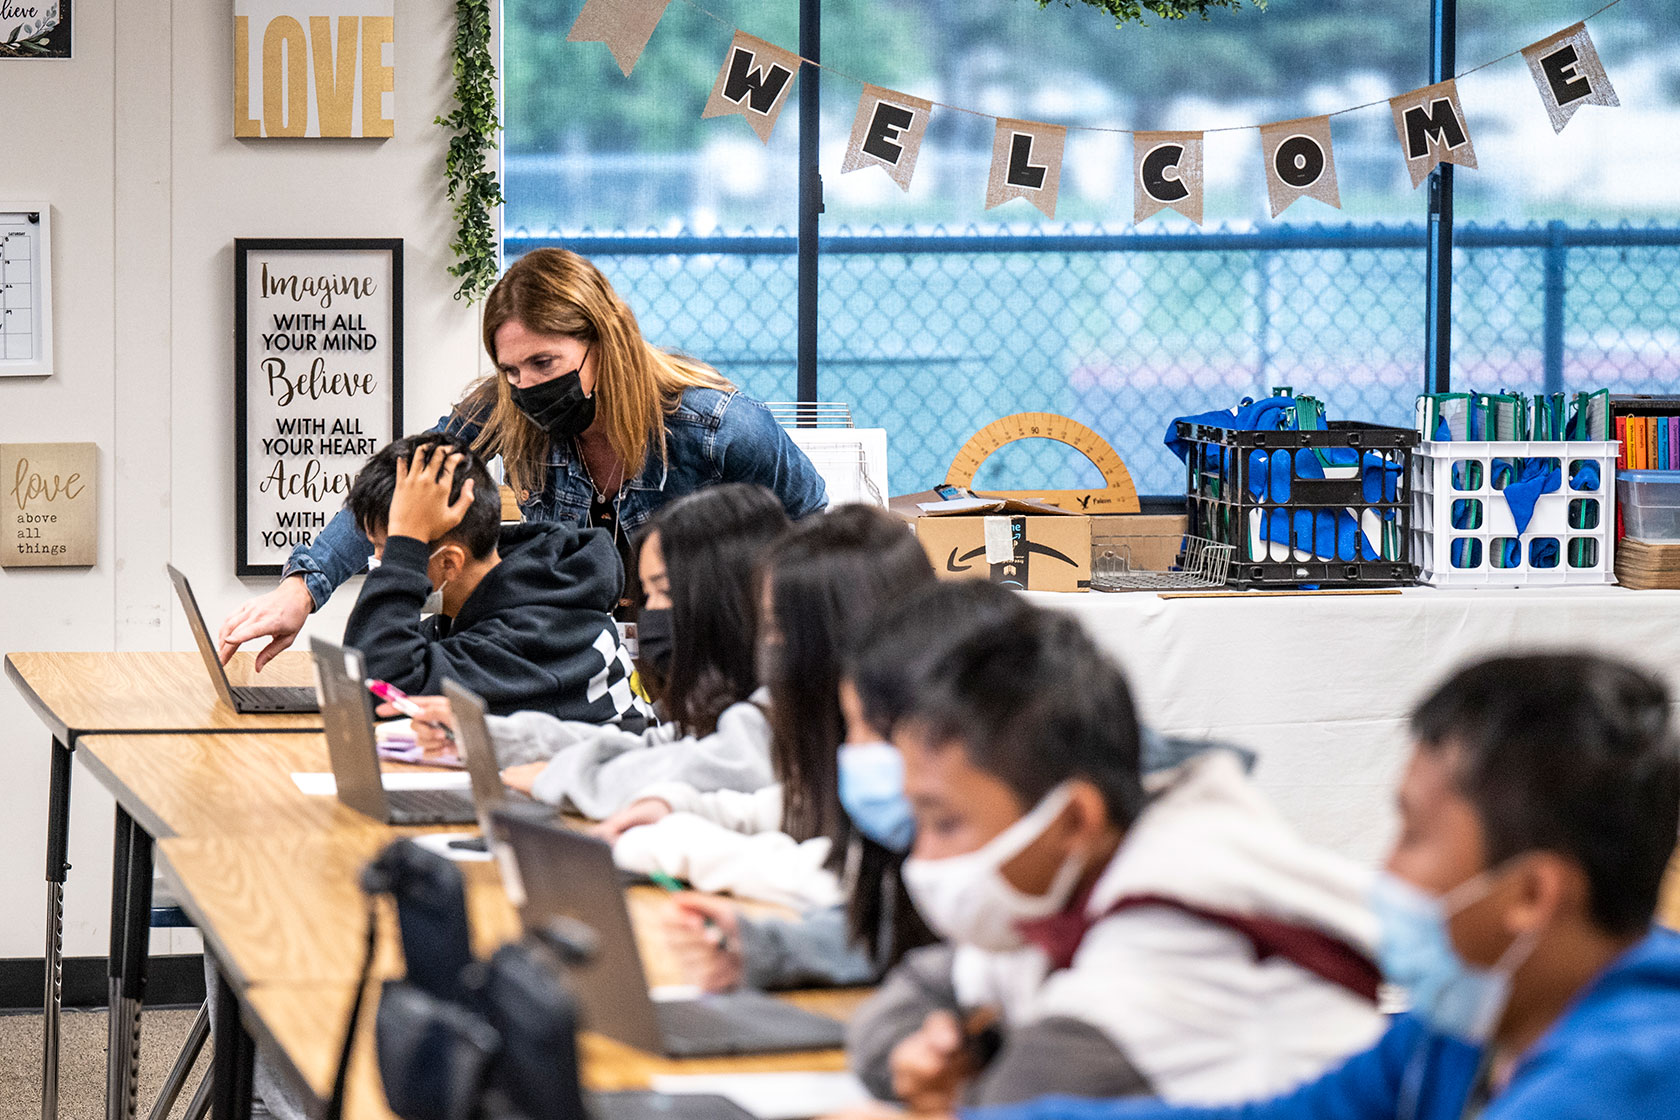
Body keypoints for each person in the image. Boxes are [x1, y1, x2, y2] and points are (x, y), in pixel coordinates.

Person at [841, 651, 1680, 1120]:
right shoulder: (1463, 1031)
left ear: (1532, 895)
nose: (1385, 869)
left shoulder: (1625, 1077)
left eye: (1416, 837)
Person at [840, 581, 1386, 1111]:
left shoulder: (1172, 930)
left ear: (1075, 820)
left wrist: (956, 1086)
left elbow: (1018, 1100)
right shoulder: (1073, 878)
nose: (925, 860)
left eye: (946, 824)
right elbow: (922, 990)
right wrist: (923, 1054)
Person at [217, 247, 827, 668]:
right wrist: (302, 589)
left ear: (604, 343)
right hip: (574, 661)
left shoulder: (719, 427)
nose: (526, 385)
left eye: (545, 364)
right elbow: (405, 484)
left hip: (700, 660)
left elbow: (813, 528)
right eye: (510, 369)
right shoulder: (505, 408)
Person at [596, 505, 941, 992]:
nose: (768, 648)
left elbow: (850, 886)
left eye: (778, 629)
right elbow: (799, 808)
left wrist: (685, 846)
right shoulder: (856, 732)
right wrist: (677, 807)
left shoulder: (933, 748)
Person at [341, 434, 636, 722]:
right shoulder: (499, 596)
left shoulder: (532, 632)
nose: (383, 563)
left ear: (449, 563)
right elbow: (370, 663)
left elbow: (381, 689)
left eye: (391, 550)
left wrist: (407, 546)